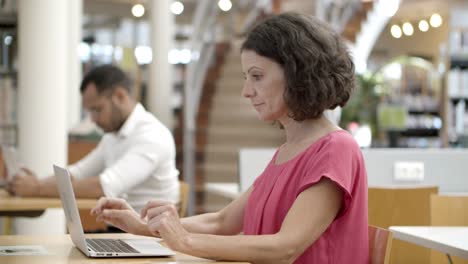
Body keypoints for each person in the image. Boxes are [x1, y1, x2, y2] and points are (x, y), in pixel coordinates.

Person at [91, 13, 368, 263]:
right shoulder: (288, 151)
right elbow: (222, 221)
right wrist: (146, 226)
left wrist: (184, 241)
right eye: (246, 77)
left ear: (298, 74)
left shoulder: (336, 149)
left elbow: (285, 248)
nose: (247, 91)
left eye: (257, 76)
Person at [8, 65, 180, 213]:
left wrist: (36, 188)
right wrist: (34, 183)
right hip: (123, 234)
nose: (93, 119)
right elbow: (77, 172)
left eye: (97, 110)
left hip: (148, 238)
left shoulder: (152, 136)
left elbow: (103, 186)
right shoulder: (114, 135)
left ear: (120, 96)